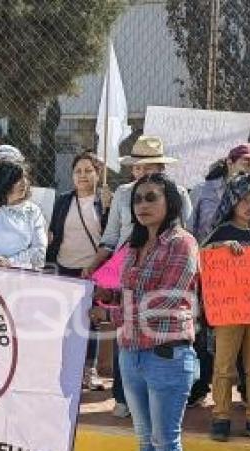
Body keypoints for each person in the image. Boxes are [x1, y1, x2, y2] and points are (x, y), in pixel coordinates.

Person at [90, 173, 198, 451]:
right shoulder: (133, 245)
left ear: (170, 201)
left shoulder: (183, 243)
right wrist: (102, 299)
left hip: (166, 354)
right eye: (137, 199)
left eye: (152, 197)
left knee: (165, 442)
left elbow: (165, 299)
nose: (142, 205)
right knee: (144, 438)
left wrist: (112, 313)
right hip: (131, 352)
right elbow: (129, 294)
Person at [84, 136, 192, 417]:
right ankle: (124, 396)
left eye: (150, 166)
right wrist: (94, 266)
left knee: (151, 325)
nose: (144, 172)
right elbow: (110, 237)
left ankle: (155, 397)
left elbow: (184, 230)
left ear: (161, 167)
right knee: (127, 337)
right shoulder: (122, 193)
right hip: (125, 264)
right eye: (138, 167)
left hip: (164, 265)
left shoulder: (178, 197)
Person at [202, 174, 250, 444]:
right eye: (244, 200)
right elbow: (201, 260)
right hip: (229, 312)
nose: (249, 205)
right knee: (224, 366)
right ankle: (220, 418)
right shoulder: (221, 232)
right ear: (232, 202)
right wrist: (220, 248)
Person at [48, 151, 107, 390]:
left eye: (88, 171)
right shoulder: (63, 201)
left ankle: (88, 370)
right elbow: (53, 232)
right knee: (63, 321)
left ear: (98, 173)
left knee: (89, 321)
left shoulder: (105, 201)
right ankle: (63, 369)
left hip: (93, 270)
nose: (82, 175)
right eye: (78, 171)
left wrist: (95, 268)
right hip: (64, 267)